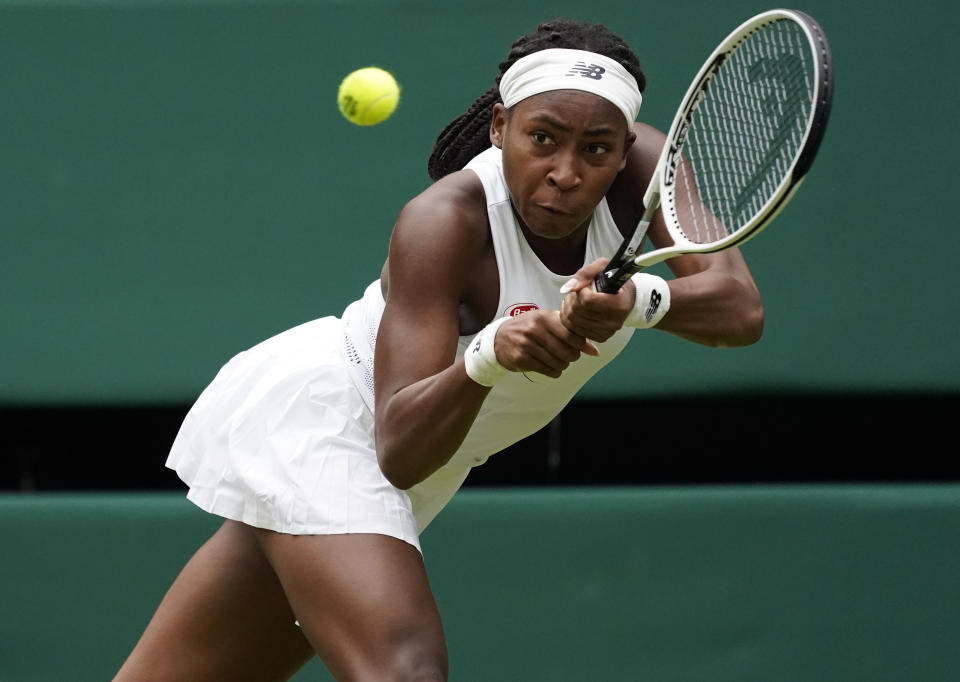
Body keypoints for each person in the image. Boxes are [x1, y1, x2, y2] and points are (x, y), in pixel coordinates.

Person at [114, 17, 763, 682]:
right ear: (499, 127)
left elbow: (740, 309)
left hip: (433, 460)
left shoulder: (645, 170)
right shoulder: (444, 221)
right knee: (406, 672)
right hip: (338, 424)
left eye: (596, 150)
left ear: (625, 149)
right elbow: (397, 450)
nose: (566, 173)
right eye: (542, 139)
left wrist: (637, 302)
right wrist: (487, 356)